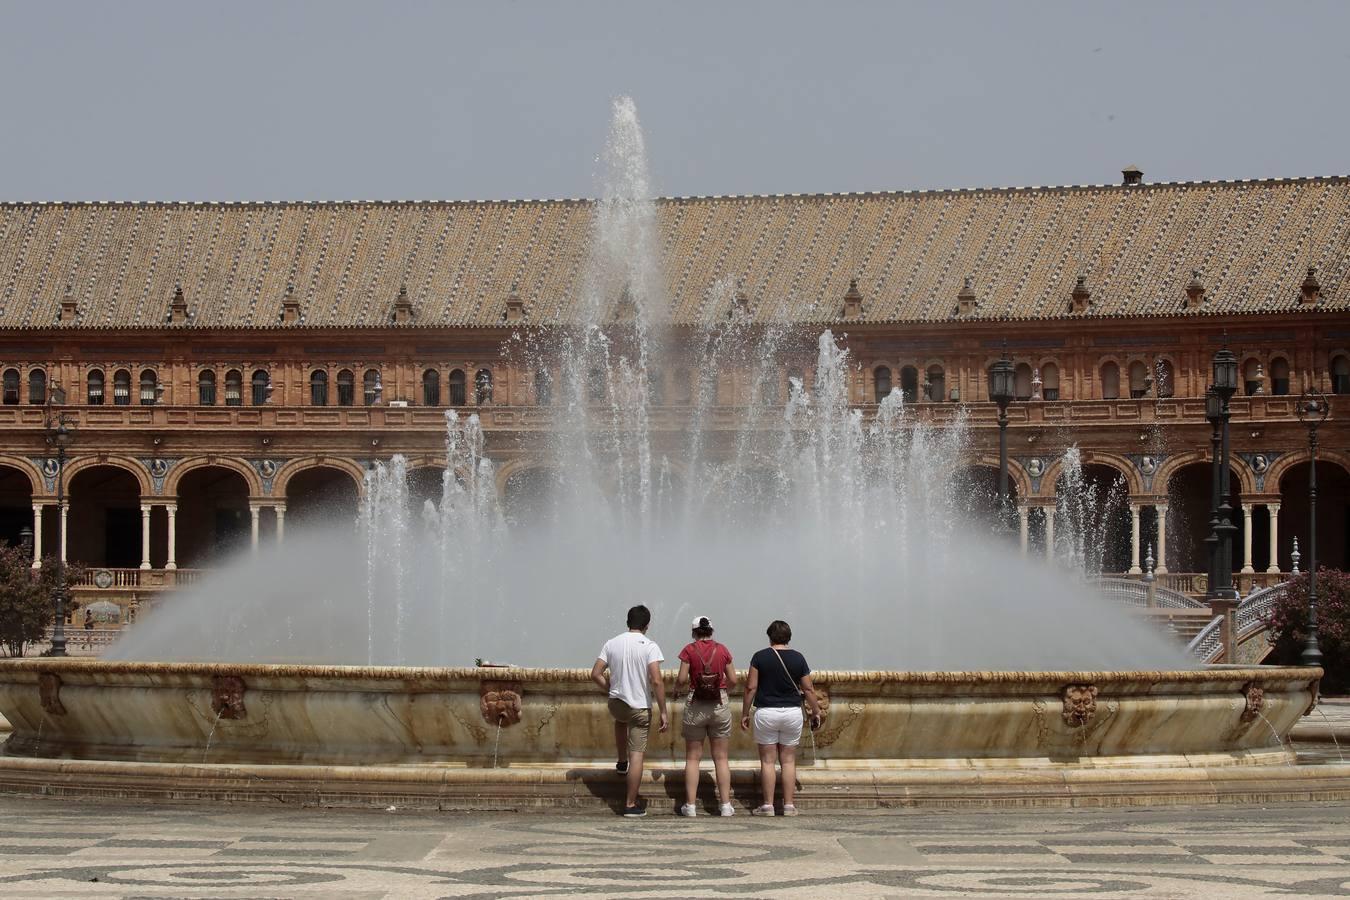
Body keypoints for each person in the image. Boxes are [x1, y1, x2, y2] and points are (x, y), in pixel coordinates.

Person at [591, 604, 668, 817]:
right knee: (638, 754)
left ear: (627, 622)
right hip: (639, 707)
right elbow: (656, 680)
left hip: (617, 704)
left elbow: (596, 673)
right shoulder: (649, 645)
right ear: (647, 625)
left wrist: (611, 689)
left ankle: (621, 761)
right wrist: (663, 710)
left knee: (620, 720)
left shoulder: (612, 643)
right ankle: (631, 804)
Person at [740, 619, 822, 817]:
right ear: (789, 637)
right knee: (788, 761)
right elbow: (808, 688)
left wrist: (744, 713)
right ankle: (788, 805)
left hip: (767, 712)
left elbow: (751, 687)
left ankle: (767, 805)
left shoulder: (759, 657)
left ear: (769, 636)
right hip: (792, 712)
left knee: (768, 761)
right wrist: (816, 710)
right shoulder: (798, 658)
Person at [674, 615, 736, 817]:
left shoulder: (689, 650)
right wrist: (726, 691)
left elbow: (683, 679)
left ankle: (690, 806)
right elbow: (733, 679)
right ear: (712, 631)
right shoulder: (723, 649)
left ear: (694, 632)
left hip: (696, 704)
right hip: (719, 702)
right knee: (721, 758)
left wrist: (676, 689)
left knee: (693, 758)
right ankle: (726, 805)